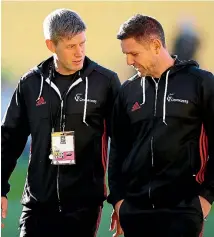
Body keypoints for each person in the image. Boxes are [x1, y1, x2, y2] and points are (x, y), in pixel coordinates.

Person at [1, 8, 121, 237]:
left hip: (83, 208)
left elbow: (123, 143)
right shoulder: (30, 83)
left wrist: (120, 196)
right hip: (36, 205)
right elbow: (9, 137)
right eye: (70, 46)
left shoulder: (105, 82)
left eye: (82, 43)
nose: (79, 52)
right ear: (51, 45)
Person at [107, 14, 214, 237]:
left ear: (156, 46)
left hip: (183, 212)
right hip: (135, 214)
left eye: (134, 53)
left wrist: (206, 197)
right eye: (126, 54)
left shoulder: (201, 83)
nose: (129, 61)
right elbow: (118, 149)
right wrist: (118, 200)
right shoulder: (128, 91)